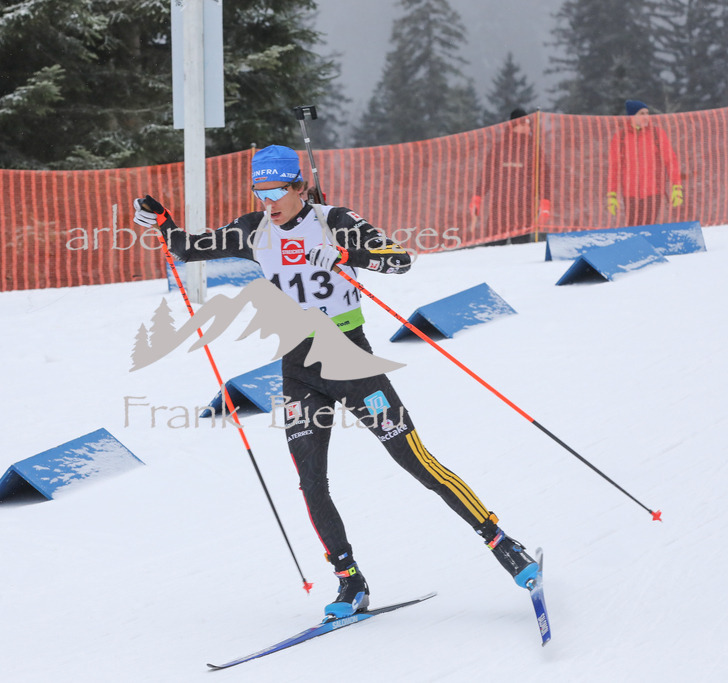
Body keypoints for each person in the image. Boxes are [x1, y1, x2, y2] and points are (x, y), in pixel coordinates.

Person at [132, 145, 538, 620]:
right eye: (261, 192)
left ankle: (500, 541)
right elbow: (187, 248)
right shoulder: (252, 230)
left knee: (414, 460)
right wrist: (163, 223)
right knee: (310, 481)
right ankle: (349, 580)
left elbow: (399, 259)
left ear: (299, 186)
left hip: (350, 360)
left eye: (278, 190)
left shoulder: (335, 220)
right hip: (298, 368)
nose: (270, 201)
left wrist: (347, 252)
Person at [469, 108, 552, 240]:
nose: (528, 127)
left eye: (528, 124)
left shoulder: (534, 149)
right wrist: (478, 197)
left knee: (520, 252)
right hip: (499, 206)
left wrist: (545, 201)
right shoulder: (499, 148)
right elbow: (487, 175)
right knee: (493, 247)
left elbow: (544, 177)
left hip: (524, 209)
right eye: (524, 124)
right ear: (514, 126)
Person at [607, 100, 684, 226]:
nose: (646, 117)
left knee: (649, 228)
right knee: (633, 228)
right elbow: (614, 168)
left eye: (647, 113)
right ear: (632, 116)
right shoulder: (620, 137)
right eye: (641, 113)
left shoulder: (657, 134)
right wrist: (612, 194)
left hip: (654, 192)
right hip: (630, 194)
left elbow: (671, 161)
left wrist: (677, 187)